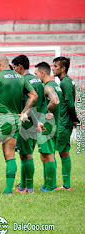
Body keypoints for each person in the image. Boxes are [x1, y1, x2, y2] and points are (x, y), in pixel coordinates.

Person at [0, 54, 38, 194]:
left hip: (1, 120)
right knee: (10, 154)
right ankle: (8, 190)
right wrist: (25, 111)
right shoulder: (20, 77)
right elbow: (34, 96)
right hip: (15, 120)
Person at [12, 55, 45, 194]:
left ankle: (29, 188)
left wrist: (26, 115)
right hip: (36, 120)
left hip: (26, 121)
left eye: (14, 68)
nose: (13, 71)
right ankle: (23, 186)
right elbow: (43, 102)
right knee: (26, 154)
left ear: (20, 66)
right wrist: (40, 120)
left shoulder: (23, 81)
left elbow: (28, 103)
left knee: (26, 155)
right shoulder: (37, 80)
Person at [34, 62, 62, 192]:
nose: (35, 77)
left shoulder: (48, 87)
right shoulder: (56, 85)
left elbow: (55, 101)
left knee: (48, 155)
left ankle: (50, 186)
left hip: (48, 126)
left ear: (43, 73)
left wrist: (45, 113)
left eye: (36, 74)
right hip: (55, 124)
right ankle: (48, 184)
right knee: (47, 155)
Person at [52, 57, 78, 190]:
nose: (53, 68)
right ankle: (66, 185)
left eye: (56, 66)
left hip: (63, 122)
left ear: (63, 68)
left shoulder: (65, 83)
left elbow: (69, 103)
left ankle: (52, 184)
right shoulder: (67, 81)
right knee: (63, 152)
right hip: (65, 122)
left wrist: (74, 119)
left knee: (51, 152)